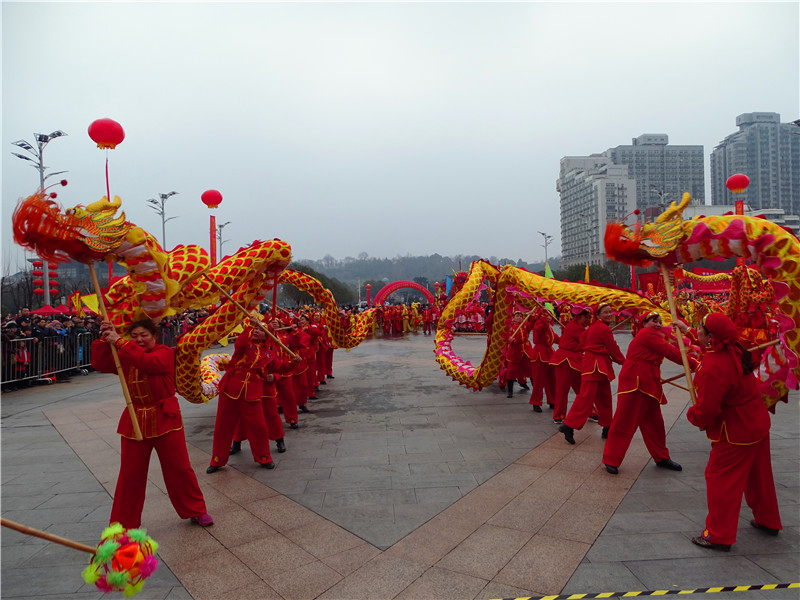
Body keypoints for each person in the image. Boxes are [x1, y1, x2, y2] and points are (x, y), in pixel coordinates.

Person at [91, 318, 212, 528]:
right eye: (134, 336)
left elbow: (151, 364)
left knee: (180, 469)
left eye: (144, 335)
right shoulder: (125, 354)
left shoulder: (164, 352)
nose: (139, 340)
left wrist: (121, 342)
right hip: (135, 419)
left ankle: (196, 509)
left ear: (154, 337)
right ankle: (124, 524)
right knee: (130, 475)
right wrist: (105, 337)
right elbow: (101, 363)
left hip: (166, 418)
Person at [687, 313, 782, 551]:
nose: (696, 330)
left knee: (720, 480)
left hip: (735, 431)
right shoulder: (737, 351)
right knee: (760, 477)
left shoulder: (714, 366)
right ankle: (768, 520)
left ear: (711, 336)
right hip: (756, 423)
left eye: (699, 328)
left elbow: (708, 409)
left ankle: (718, 535)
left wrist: (694, 415)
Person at [602, 311, 692, 474]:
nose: (658, 324)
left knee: (655, 423)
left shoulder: (653, 334)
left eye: (659, 322)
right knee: (625, 421)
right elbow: (670, 352)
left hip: (649, 382)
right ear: (643, 324)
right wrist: (693, 364)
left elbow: (671, 348)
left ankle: (661, 457)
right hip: (636, 381)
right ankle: (611, 459)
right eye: (654, 321)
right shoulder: (646, 334)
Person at [207, 317, 288, 473]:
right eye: (257, 328)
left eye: (262, 330)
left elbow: (280, 367)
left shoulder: (269, 355)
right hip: (231, 389)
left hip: (252, 393)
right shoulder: (245, 345)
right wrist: (250, 327)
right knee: (223, 426)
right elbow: (241, 343)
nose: (257, 330)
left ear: (267, 336)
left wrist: (293, 363)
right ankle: (217, 460)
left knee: (259, 426)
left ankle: (264, 457)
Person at [560, 303, 625, 444]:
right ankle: (568, 425)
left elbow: (583, 338)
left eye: (610, 311)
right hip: (595, 366)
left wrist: (591, 348)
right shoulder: (603, 328)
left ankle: (607, 427)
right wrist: (623, 362)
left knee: (605, 397)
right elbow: (613, 348)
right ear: (598, 315)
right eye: (606, 312)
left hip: (596, 365)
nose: (609, 314)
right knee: (585, 398)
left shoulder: (594, 327)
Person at [549, 308, 590, 424]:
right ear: (580, 316)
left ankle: (591, 412)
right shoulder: (576, 328)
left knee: (582, 389)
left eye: (590, 317)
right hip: (565, 361)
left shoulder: (578, 326)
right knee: (563, 390)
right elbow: (588, 342)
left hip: (575, 361)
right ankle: (558, 415)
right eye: (586, 317)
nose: (588, 320)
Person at [528, 309, 559, 413]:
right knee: (538, 381)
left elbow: (556, 338)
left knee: (552, 379)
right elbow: (542, 328)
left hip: (549, 353)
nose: (549, 317)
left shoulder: (549, 328)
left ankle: (552, 400)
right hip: (539, 354)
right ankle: (536, 402)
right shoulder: (539, 324)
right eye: (546, 315)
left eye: (550, 315)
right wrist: (541, 318)